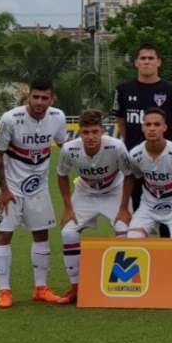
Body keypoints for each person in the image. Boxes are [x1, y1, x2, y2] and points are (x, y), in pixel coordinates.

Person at [0, 79, 69, 308]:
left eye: (45, 98)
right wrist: (4, 190)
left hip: (38, 187)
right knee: (4, 234)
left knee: (41, 234)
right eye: (35, 97)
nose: (39, 102)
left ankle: (41, 288)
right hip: (11, 188)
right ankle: (4, 291)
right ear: (29, 97)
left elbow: (64, 146)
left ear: (52, 99)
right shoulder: (10, 119)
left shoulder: (58, 117)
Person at [56, 109, 133, 304]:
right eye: (86, 132)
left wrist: (124, 208)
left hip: (114, 191)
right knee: (68, 232)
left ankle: (122, 284)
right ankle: (76, 287)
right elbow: (62, 175)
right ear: (79, 132)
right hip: (85, 193)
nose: (90, 137)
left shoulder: (116, 146)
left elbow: (129, 175)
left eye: (95, 132)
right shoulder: (69, 149)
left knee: (124, 230)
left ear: (102, 131)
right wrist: (68, 208)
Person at [112, 42, 172, 236]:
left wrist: (163, 147)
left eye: (151, 58)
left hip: (165, 164)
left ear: (159, 62)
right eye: (143, 58)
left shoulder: (171, 90)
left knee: (167, 220)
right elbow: (121, 121)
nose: (147, 62)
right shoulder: (123, 89)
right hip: (137, 163)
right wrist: (134, 145)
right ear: (136, 62)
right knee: (140, 212)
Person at [119, 108, 172, 239]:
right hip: (148, 205)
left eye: (157, 124)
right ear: (142, 128)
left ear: (165, 127)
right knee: (133, 237)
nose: (152, 128)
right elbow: (136, 175)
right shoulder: (135, 154)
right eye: (148, 124)